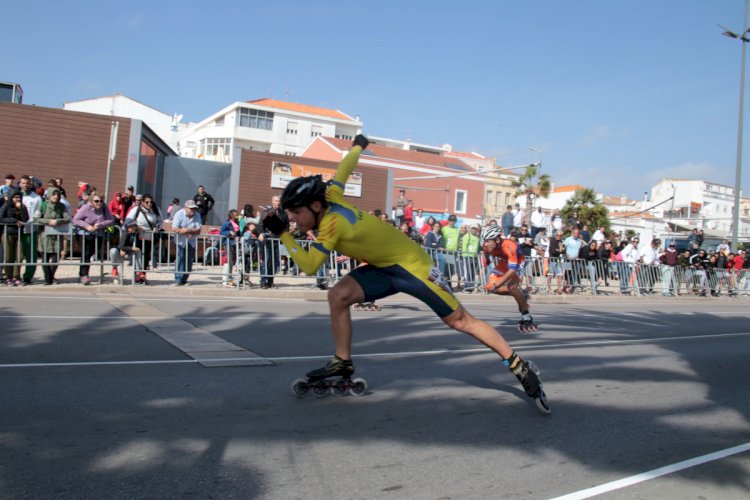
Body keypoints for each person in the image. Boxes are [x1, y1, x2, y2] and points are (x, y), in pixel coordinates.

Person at [262, 135, 550, 413]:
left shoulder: (332, 224)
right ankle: (341, 363)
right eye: (290, 215)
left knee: (462, 322)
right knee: (338, 295)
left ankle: (518, 364)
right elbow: (344, 169)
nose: (294, 220)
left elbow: (310, 265)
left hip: (415, 268)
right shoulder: (331, 196)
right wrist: (357, 147)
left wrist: (283, 235)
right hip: (384, 267)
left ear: (314, 206)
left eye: (296, 213)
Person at [481, 227, 539, 332]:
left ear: (497, 240)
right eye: (484, 241)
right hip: (504, 262)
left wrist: (496, 284)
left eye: (487, 241)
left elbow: (512, 271)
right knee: (491, 289)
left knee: (511, 287)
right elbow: (486, 252)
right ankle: (521, 294)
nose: (485, 244)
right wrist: (488, 261)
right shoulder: (486, 245)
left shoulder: (510, 245)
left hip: (517, 262)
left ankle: (526, 316)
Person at [34, 189, 70, 285]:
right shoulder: (43, 205)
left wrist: (57, 221)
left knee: (55, 257)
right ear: (49, 195)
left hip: (57, 236)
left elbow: (67, 218)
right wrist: (48, 221)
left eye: (57, 195)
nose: (55, 197)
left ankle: (51, 276)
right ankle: (47, 278)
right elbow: (36, 218)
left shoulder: (62, 206)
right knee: (45, 257)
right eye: (53, 195)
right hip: (44, 235)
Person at [126, 193, 163, 282]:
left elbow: (160, 221)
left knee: (146, 257)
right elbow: (128, 221)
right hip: (138, 236)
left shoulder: (155, 210)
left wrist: (156, 227)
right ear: (142, 202)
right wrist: (136, 227)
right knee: (138, 256)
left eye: (151, 202)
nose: (149, 204)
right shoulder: (136, 210)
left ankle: (142, 275)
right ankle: (137, 276)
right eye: (147, 202)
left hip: (149, 236)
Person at [256, 195, 288, 289]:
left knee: (274, 262)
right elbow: (260, 225)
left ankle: (270, 281)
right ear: (272, 201)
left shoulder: (283, 213)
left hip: (277, 240)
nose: (277, 202)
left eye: (279, 201)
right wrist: (262, 233)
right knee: (266, 261)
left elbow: (286, 226)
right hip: (267, 240)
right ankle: (263, 281)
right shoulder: (267, 212)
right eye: (276, 200)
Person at [0, 189, 28, 285]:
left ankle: (16, 277)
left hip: (19, 233)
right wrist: (14, 220)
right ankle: (9, 277)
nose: (18, 199)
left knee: (19, 256)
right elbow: (1, 217)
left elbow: (25, 219)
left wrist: (21, 209)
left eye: (19, 197)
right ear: (12, 197)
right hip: (8, 233)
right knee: (8, 257)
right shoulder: (6, 205)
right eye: (15, 197)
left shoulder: (22, 206)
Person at [171, 200, 202, 286]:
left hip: (191, 242)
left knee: (189, 261)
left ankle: (184, 279)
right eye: (191, 208)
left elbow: (198, 229)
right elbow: (174, 228)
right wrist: (185, 231)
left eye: (194, 208)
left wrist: (188, 230)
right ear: (186, 208)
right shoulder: (179, 214)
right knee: (180, 259)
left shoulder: (197, 215)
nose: (193, 210)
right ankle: (178, 279)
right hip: (180, 241)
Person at [19, 175, 42, 285]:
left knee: (30, 255)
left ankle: (27, 277)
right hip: (17, 230)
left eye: (27, 183)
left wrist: (33, 220)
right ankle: (14, 276)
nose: (25, 185)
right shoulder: (16, 196)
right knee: (16, 255)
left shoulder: (37, 198)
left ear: (31, 184)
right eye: (23, 183)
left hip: (31, 230)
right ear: (20, 184)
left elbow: (38, 213)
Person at [109, 218, 143, 285]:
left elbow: (140, 229)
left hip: (128, 250)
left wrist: (139, 229)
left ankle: (138, 272)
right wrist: (131, 248)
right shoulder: (125, 233)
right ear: (127, 227)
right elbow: (121, 246)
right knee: (113, 252)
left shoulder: (135, 232)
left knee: (138, 252)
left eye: (134, 226)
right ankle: (114, 268)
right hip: (120, 250)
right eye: (131, 226)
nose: (133, 228)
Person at [219, 209, 242, 287]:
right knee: (230, 261)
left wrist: (238, 237)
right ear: (231, 215)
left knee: (233, 261)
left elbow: (238, 233)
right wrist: (229, 232)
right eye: (234, 215)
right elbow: (221, 232)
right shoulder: (227, 223)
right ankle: (228, 279)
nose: (236, 216)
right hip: (228, 243)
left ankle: (230, 278)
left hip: (235, 244)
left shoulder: (237, 223)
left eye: (237, 214)